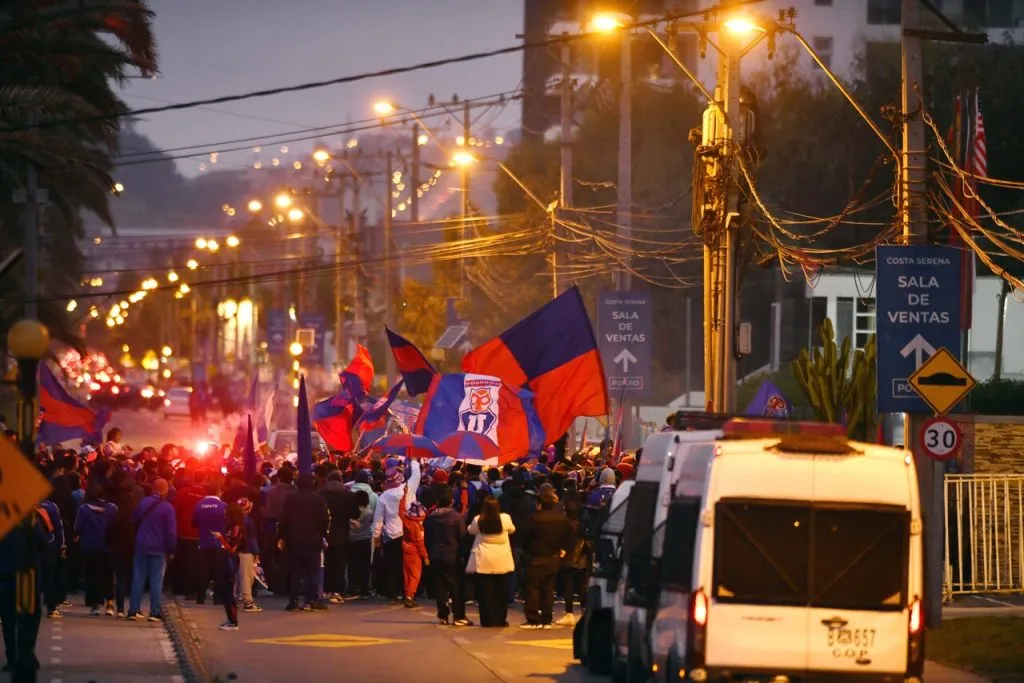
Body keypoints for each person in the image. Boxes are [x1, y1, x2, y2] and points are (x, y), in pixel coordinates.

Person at [520, 484, 573, 629]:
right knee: (548, 589)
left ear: (539, 504)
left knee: (533, 589)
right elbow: (569, 536)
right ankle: (546, 618)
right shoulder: (561, 520)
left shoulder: (533, 519)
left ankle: (532, 619)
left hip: (535, 557)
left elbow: (524, 538)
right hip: (553, 558)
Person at [278, 473, 329, 611]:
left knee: (295, 571)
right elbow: (325, 519)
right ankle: (311, 600)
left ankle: (293, 600)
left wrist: (282, 536)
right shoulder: (318, 499)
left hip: (294, 540)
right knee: (312, 571)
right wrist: (322, 534)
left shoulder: (291, 499)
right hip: (313, 540)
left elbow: (284, 519)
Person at [128, 478, 176, 621]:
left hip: (141, 545)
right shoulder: (168, 508)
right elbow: (171, 532)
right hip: (159, 548)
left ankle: (133, 610)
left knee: (138, 578)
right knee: (156, 580)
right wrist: (171, 550)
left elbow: (134, 519)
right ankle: (154, 611)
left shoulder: (143, 503)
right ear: (166, 491)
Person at [372, 464, 419, 602]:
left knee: (392, 565)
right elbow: (417, 475)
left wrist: (376, 536)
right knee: (408, 565)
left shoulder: (384, 497)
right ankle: (407, 592)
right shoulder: (408, 490)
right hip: (408, 532)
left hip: (392, 535)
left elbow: (378, 519)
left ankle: (392, 593)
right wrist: (415, 462)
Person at [466, 496, 515, 628]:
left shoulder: (479, 519)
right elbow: (512, 530)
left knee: (484, 593)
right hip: (502, 559)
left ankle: (487, 620)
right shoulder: (505, 518)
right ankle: (500, 619)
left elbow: (470, 530)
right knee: (501, 592)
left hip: (483, 559)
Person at [423, 488, 470, 626]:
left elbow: (427, 538)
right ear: (451, 501)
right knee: (455, 586)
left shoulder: (431, 518)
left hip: (435, 555)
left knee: (439, 587)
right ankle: (458, 616)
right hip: (452, 556)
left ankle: (443, 615)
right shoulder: (456, 517)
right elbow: (462, 536)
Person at [73, 485, 117, 616]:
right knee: (108, 574)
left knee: (92, 575)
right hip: (107, 546)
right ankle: (110, 602)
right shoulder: (113, 508)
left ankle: (95, 604)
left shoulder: (83, 509)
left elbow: (78, 528)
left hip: (89, 546)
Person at [320, 471, 358, 604]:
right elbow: (355, 513)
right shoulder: (348, 495)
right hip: (342, 532)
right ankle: (336, 591)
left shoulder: (321, 493)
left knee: (326, 562)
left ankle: (326, 588)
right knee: (339, 564)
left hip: (324, 533)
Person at [171, 469, 206, 597]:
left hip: (181, 532)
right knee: (194, 563)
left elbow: (174, 510)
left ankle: (177, 588)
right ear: (205, 479)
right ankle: (190, 589)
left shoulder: (182, 491)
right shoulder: (205, 494)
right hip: (197, 534)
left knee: (180, 561)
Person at [191, 480, 227, 605]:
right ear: (218, 491)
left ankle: (200, 598)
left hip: (203, 543)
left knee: (203, 571)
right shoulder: (223, 506)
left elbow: (194, 523)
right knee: (219, 571)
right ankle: (218, 598)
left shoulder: (199, 505)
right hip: (219, 544)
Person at [211, 502, 245, 631]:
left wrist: (220, 538)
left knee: (228, 591)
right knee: (224, 591)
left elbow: (232, 548)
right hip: (225, 559)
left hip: (230, 561)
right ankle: (230, 619)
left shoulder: (237, 528)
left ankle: (233, 620)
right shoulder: (230, 526)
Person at [106, 492, 137, 618]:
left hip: (118, 551)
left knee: (120, 579)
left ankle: (120, 608)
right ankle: (134, 609)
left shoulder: (115, 518)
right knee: (134, 580)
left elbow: (108, 536)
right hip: (133, 551)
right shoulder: (135, 519)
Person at [399, 488, 428, 608]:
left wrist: (404, 495)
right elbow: (420, 543)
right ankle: (410, 596)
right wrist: (425, 557)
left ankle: (407, 594)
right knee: (415, 575)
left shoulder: (405, 519)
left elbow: (400, 509)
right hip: (414, 551)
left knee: (407, 573)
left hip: (405, 547)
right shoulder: (417, 527)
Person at [235, 498, 261, 612]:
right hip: (246, 550)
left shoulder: (233, 519)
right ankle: (248, 602)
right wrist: (256, 552)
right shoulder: (247, 520)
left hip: (235, 550)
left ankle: (237, 597)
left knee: (238, 576)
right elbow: (251, 538)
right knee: (247, 576)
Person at [347, 489, 374, 599]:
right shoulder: (369, 511)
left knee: (353, 566)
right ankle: (364, 590)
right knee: (365, 566)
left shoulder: (352, 512)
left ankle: (353, 589)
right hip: (366, 540)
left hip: (353, 540)